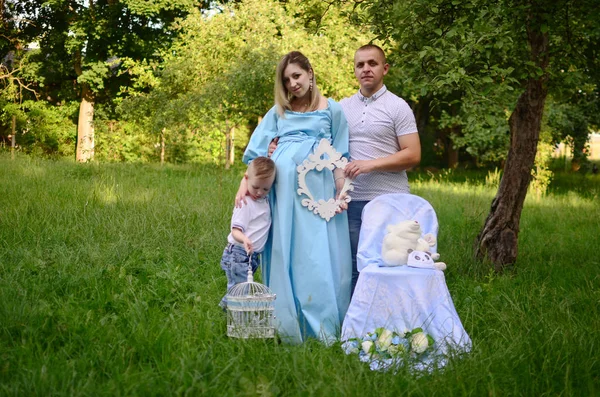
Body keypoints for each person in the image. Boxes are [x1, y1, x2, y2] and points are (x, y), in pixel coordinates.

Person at [236, 51, 352, 344]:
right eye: (286, 80)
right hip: (284, 193)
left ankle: (323, 324)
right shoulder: (279, 112)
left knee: (316, 253)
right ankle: (287, 324)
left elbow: (340, 156)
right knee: (288, 250)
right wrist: (243, 184)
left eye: (297, 76)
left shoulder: (333, 110)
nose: (292, 84)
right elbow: (256, 156)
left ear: (310, 73)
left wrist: (341, 191)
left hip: (318, 194)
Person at [341, 44, 421, 294]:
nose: (366, 69)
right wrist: (277, 143)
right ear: (354, 70)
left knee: (392, 265)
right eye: (360, 64)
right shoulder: (342, 108)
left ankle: (394, 326)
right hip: (352, 201)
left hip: (390, 200)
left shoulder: (398, 106)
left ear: (384, 68)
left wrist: (369, 164)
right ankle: (355, 330)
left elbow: (413, 154)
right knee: (356, 266)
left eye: (372, 63)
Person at [219, 156, 276, 309]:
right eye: (256, 187)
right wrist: (244, 239)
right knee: (239, 290)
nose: (259, 192)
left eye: (265, 189)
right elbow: (235, 230)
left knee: (241, 288)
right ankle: (230, 313)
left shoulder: (263, 201)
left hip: (251, 255)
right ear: (246, 179)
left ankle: (230, 310)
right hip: (238, 253)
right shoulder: (244, 203)